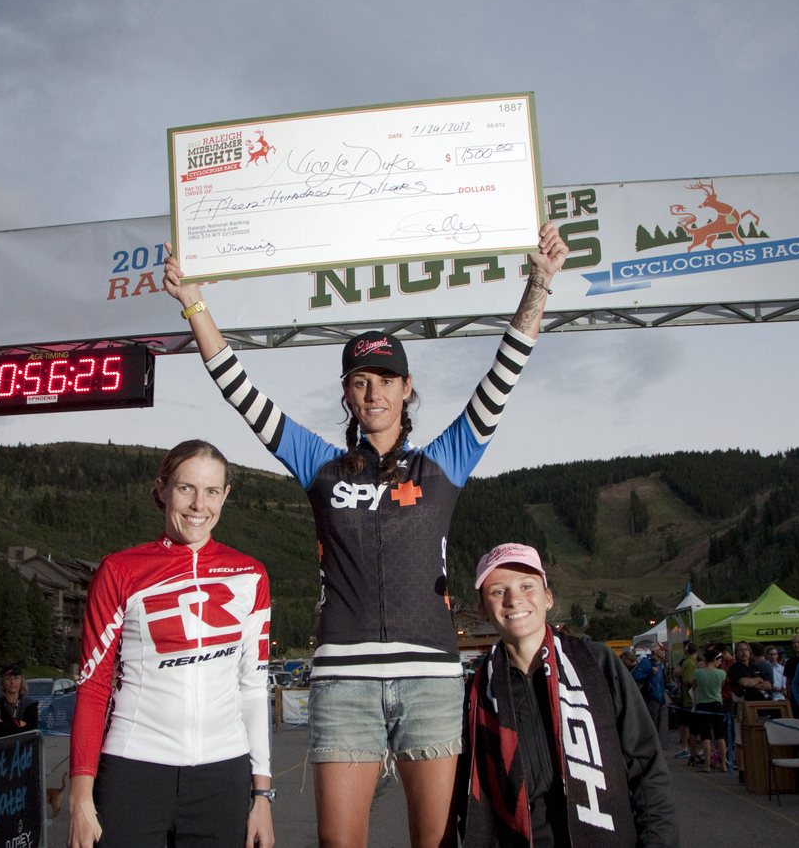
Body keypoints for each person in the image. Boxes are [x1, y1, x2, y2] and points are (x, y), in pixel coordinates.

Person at [164, 222, 569, 848]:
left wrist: (538, 285)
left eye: (385, 378)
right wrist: (194, 303)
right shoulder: (319, 465)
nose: (373, 390)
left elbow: (504, 372)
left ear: (407, 390)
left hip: (432, 681)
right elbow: (241, 391)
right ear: (349, 395)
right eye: (360, 381)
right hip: (344, 683)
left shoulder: (442, 466)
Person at [69, 440, 273, 848]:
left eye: (212, 491)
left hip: (222, 776)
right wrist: (79, 794)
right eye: (186, 488)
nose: (199, 505)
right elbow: (93, 687)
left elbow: (253, 688)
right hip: (134, 770)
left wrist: (262, 795)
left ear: (225, 495)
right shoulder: (120, 570)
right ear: (162, 489)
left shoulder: (250, 575)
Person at [457, 543, 677, 847]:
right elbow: (464, 797)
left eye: (526, 586)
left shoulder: (596, 663)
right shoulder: (477, 695)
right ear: (483, 608)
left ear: (548, 598)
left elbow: (646, 764)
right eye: (497, 591)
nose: (513, 599)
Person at [691, 648, 728, 773]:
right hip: (717, 704)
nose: (720, 663)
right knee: (720, 735)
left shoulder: (698, 672)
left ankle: (707, 764)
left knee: (705, 735)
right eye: (719, 660)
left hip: (702, 705)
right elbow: (721, 687)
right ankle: (723, 764)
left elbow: (694, 687)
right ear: (716, 659)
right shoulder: (722, 673)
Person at [0, 664, 39, 739]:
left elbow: (31, 729)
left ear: (21, 681)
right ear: (2, 682)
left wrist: (2, 725)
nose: (12, 682)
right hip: (0, 749)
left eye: (16, 678)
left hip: (22, 749)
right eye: (8, 679)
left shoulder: (30, 704)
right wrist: (18, 724)